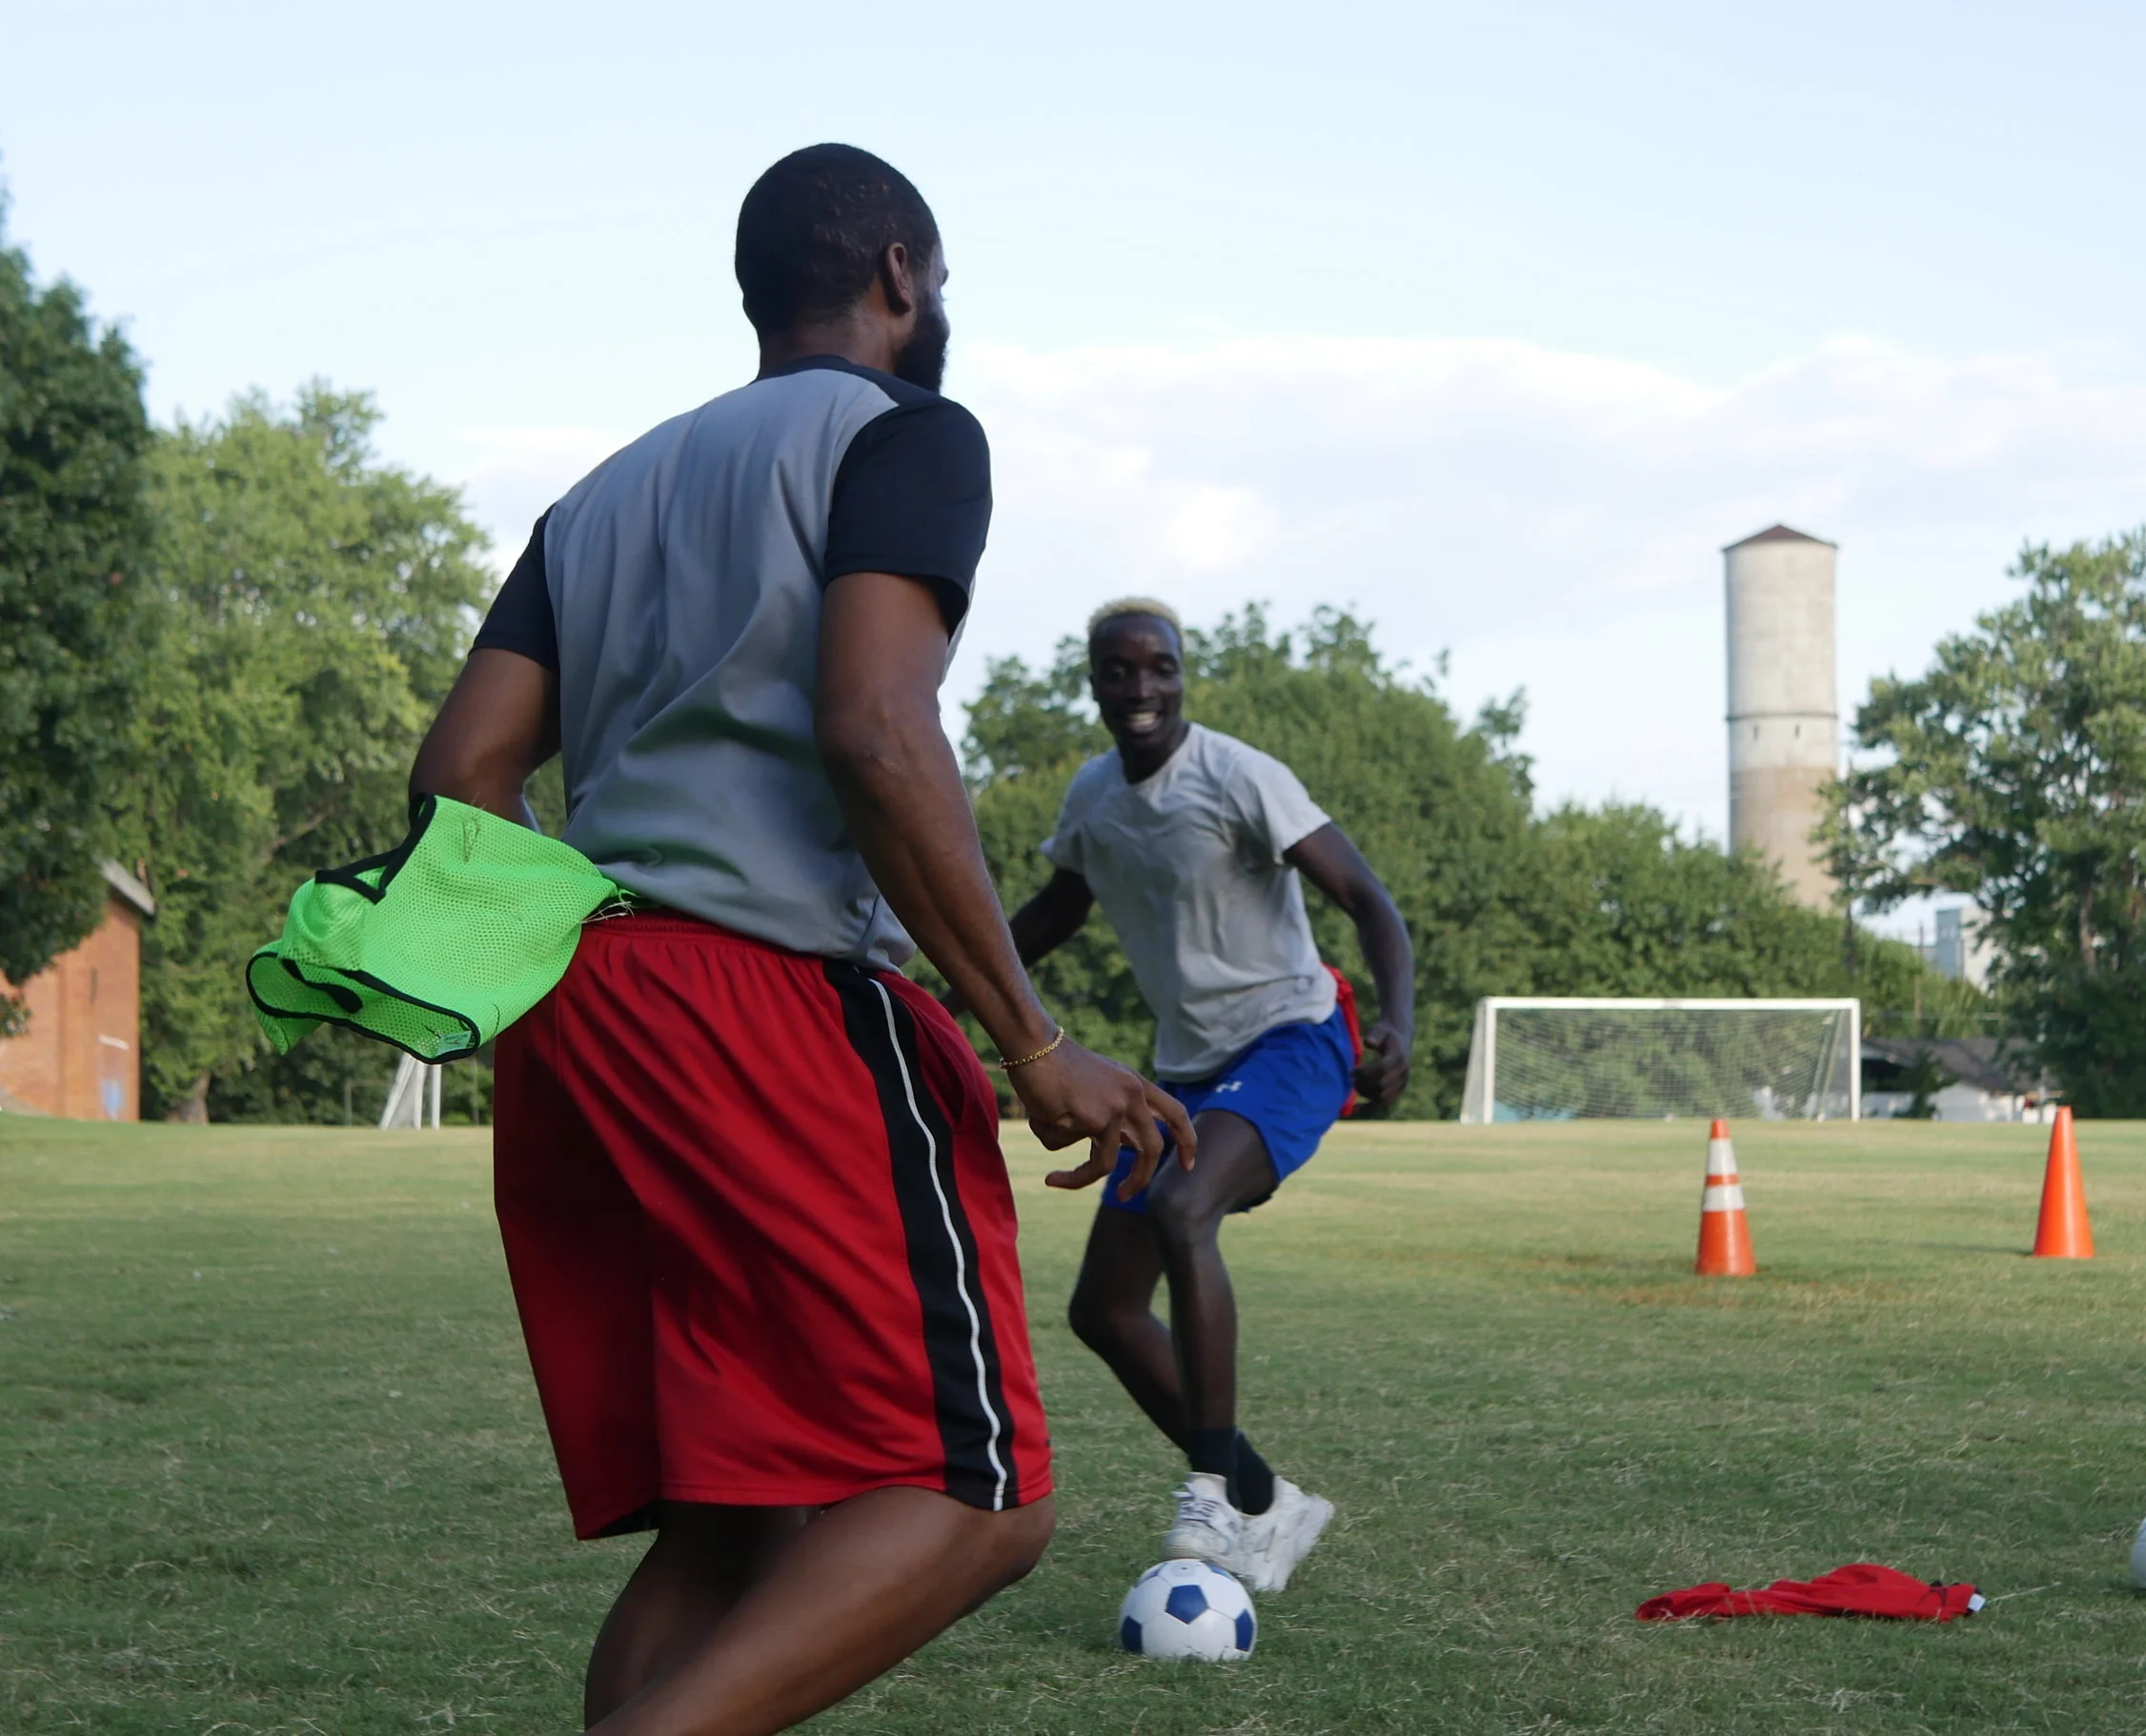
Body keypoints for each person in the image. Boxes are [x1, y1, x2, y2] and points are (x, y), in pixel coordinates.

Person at [406, 145, 1193, 1736]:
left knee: (739, 1516)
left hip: (576, 993)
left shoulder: (605, 489)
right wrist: (1033, 1042)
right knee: (979, 1495)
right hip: (757, 996)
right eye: (943, 280)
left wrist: (568, 959)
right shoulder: (904, 433)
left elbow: (461, 772)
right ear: (901, 272)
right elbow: (877, 729)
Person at [984, 598, 1414, 1594]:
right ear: (1091, 681)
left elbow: (1367, 900)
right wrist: (949, 979)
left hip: (1292, 1038)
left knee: (1185, 1208)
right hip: (1182, 1067)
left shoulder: (1237, 774)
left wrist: (1398, 1022)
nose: (1142, 689)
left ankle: (1213, 1493)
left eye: (1160, 667)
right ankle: (1269, 1500)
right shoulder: (1093, 798)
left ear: (1185, 674)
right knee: (1103, 1308)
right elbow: (1056, 909)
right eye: (1119, 671)